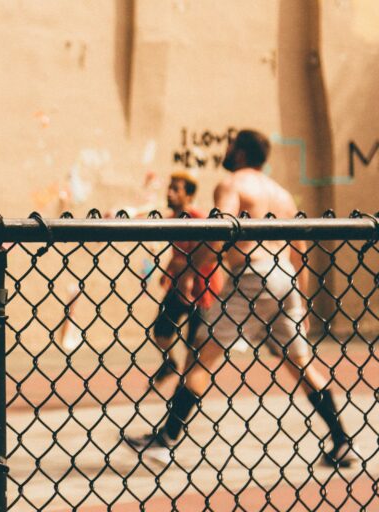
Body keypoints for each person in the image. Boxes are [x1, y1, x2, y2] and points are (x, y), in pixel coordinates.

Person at [126, 129, 357, 468]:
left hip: (252, 276)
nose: (227, 151)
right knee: (300, 364)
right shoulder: (281, 195)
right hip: (284, 278)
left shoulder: (232, 184)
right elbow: (299, 250)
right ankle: (342, 441)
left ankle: (165, 441)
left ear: (242, 153)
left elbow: (219, 233)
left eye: (231, 146)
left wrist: (190, 269)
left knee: (201, 357)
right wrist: (302, 300)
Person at [151, 171, 223, 381]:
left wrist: (188, 268)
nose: (170, 193)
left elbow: (215, 252)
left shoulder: (198, 219)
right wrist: (169, 270)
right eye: (169, 188)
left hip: (203, 290)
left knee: (195, 342)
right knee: (160, 330)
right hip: (178, 285)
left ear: (189, 196)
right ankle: (170, 363)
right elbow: (178, 252)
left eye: (176, 189)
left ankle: (186, 382)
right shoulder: (173, 220)